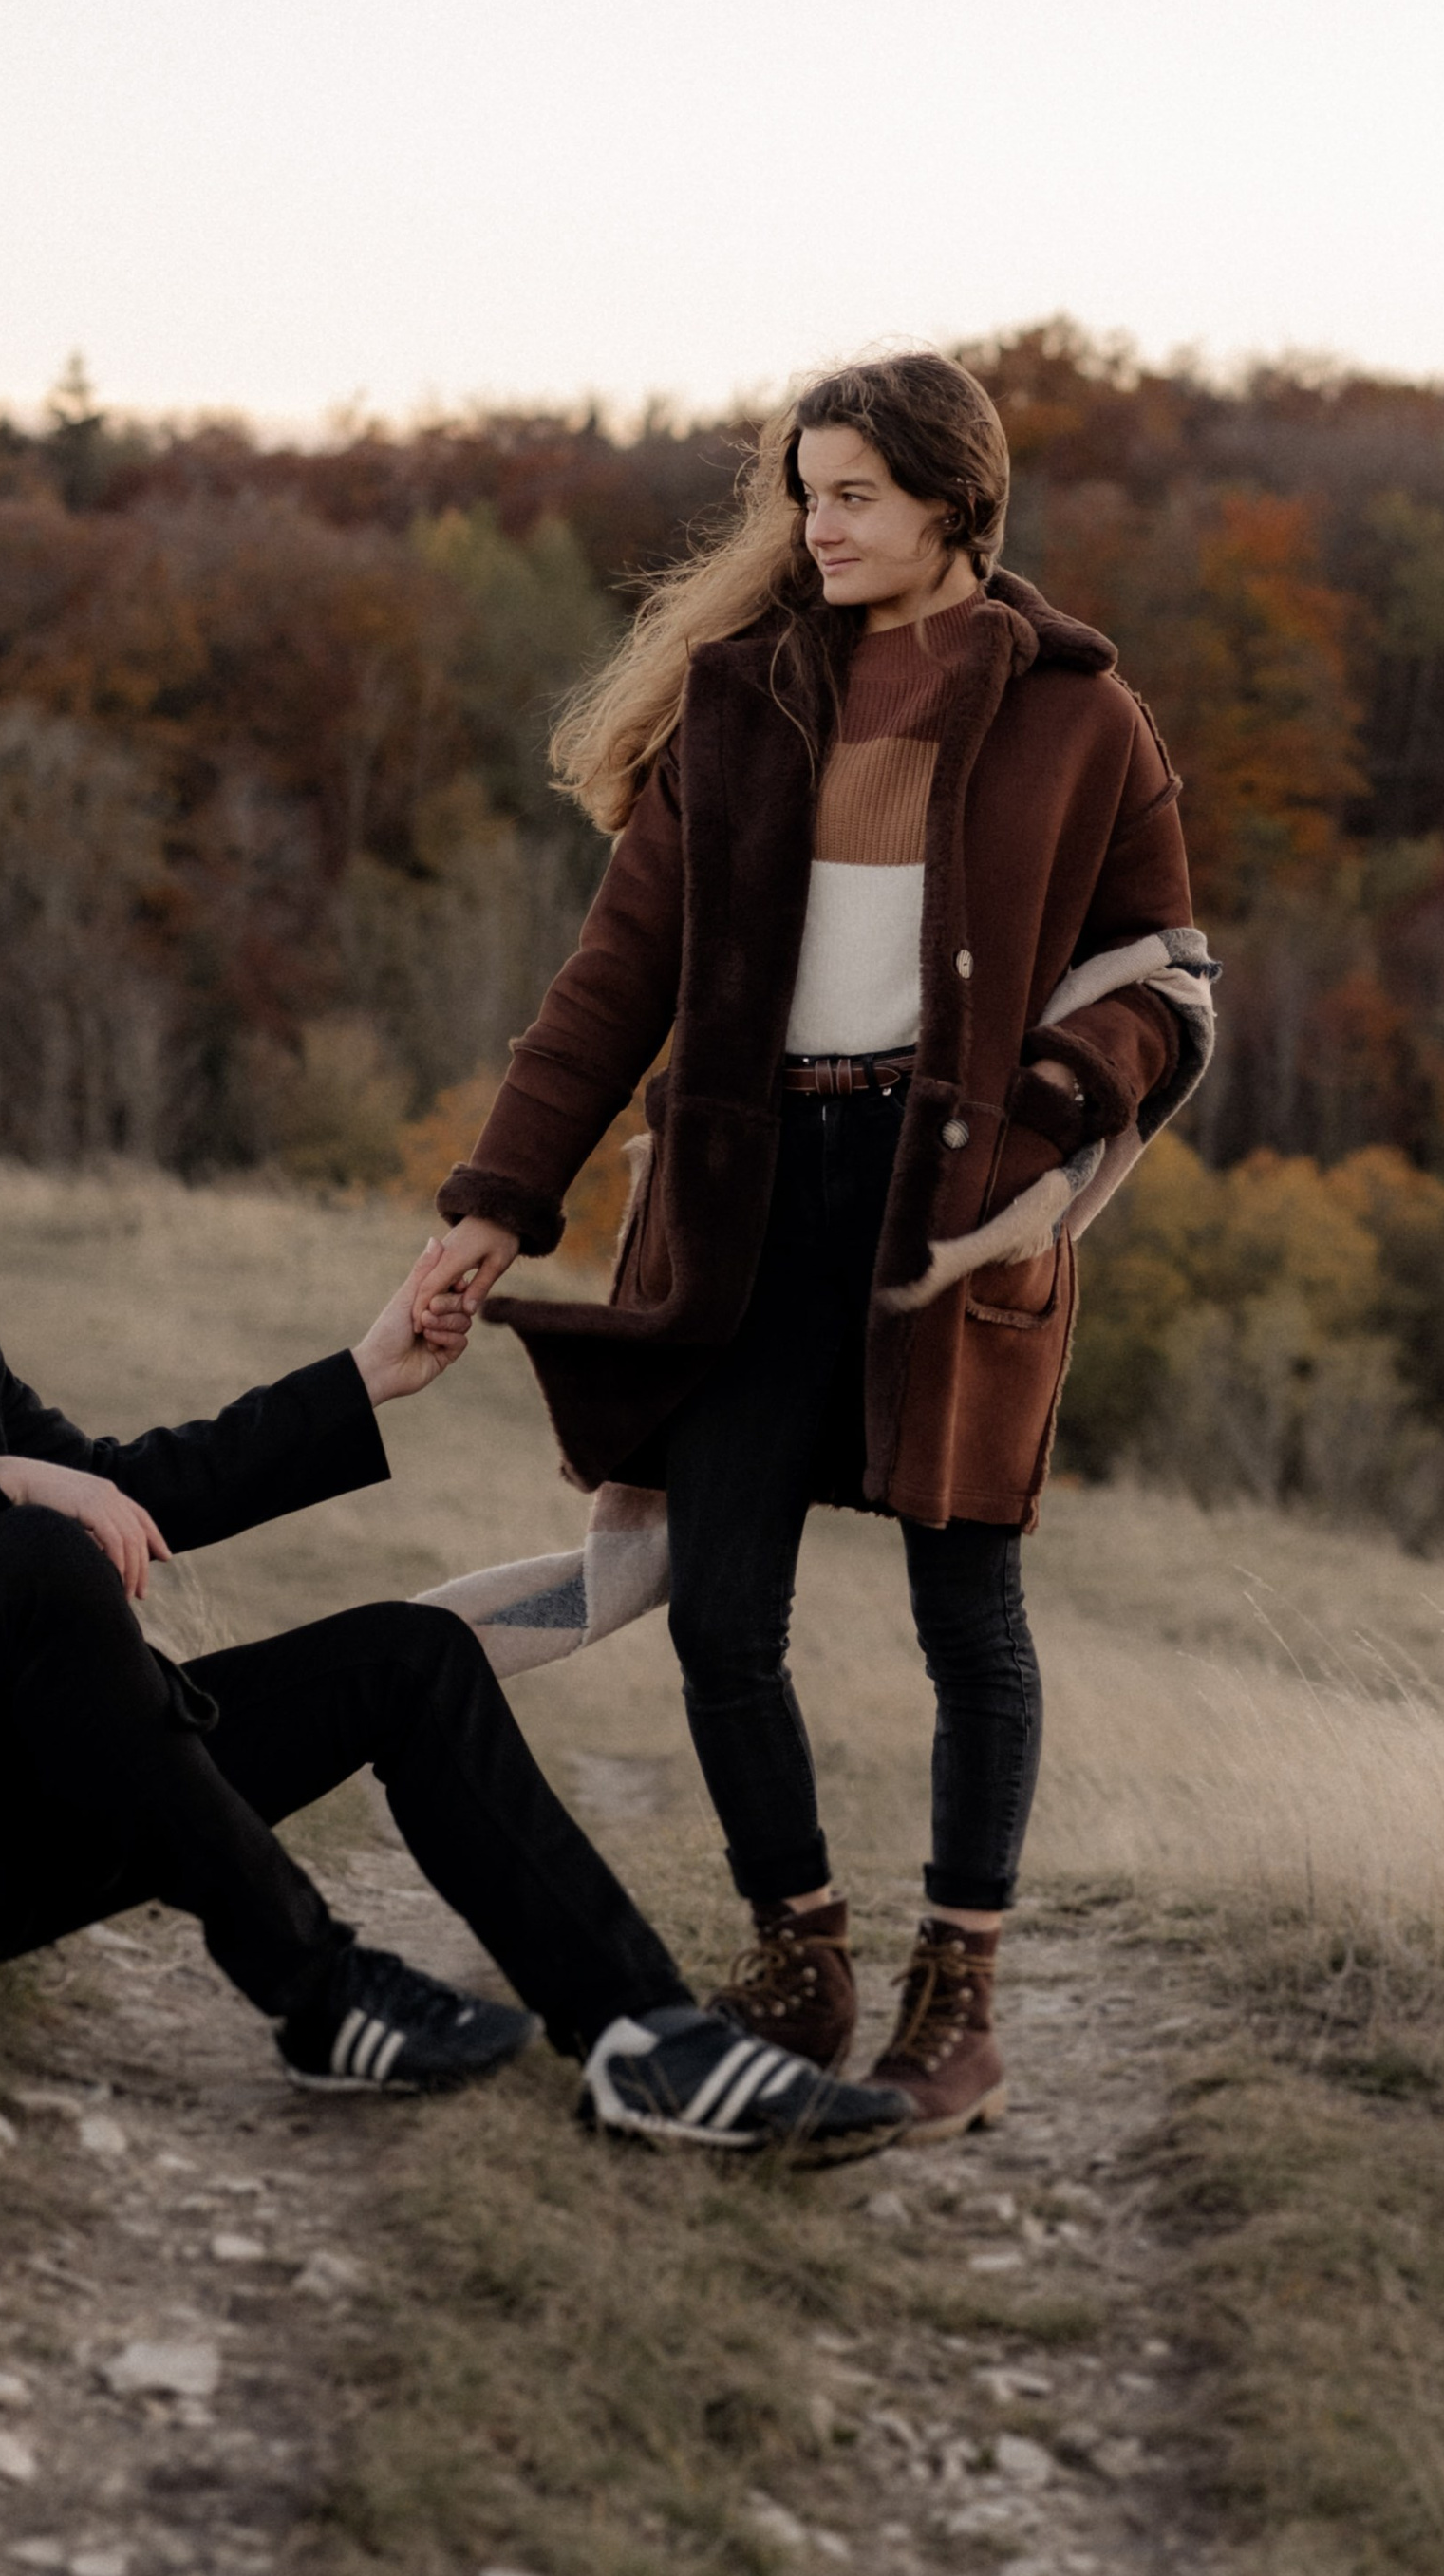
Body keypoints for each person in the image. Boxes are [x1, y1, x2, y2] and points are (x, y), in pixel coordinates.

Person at [0, 947, 911, 2163]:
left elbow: (116, 1489)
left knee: (408, 1662)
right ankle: (319, 1993)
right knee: (34, 1553)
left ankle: (642, 2037)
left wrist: (358, 1382)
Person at [413, 353, 1215, 2138]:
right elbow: (614, 980)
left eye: (852, 493)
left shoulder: (1081, 716)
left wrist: (1027, 1146)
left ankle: (960, 1997)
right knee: (722, 1611)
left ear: (956, 508)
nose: (816, 525)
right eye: (805, 490)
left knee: (964, 1606)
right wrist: (492, 1200)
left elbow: (1168, 976)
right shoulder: (743, 702)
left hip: (950, 1204)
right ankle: (802, 1953)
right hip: (748, 1191)